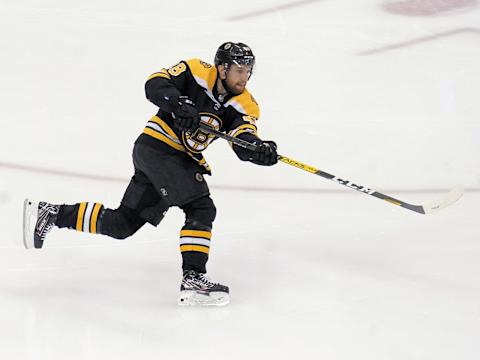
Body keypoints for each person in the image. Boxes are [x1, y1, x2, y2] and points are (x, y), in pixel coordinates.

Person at [23, 42, 278, 306]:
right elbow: (154, 84)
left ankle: (51, 213)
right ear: (222, 69)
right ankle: (193, 278)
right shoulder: (195, 70)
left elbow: (243, 140)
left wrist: (259, 149)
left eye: (249, 71)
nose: (245, 77)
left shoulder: (245, 103)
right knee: (201, 208)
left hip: (170, 160)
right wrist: (177, 103)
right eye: (239, 70)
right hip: (159, 149)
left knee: (121, 224)